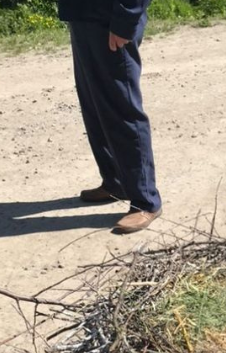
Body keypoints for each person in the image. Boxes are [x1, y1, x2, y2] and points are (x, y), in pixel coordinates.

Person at [58, 0, 162, 235]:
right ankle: (116, 182)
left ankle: (145, 201)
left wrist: (126, 20)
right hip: (84, 15)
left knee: (122, 110)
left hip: (111, 20)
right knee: (95, 106)